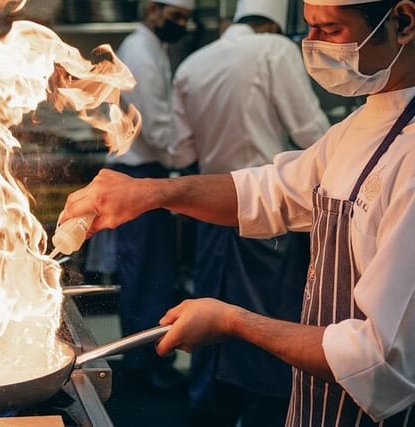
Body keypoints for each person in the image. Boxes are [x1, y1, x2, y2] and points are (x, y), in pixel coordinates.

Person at [60, 0, 415, 424]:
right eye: (309, 28)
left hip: (380, 414)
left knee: (251, 375)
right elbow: (268, 189)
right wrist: (150, 192)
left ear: (404, 22)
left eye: (331, 30)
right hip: (318, 407)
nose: (312, 45)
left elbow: (381, 362)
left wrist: (233, 321)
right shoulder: (360, 126)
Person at [167, 0, 330, 424]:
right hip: (266, 215)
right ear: (274, 21)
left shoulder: (191, 65)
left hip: (208, 210)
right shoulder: (275, 49)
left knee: (204, 317)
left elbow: (180, 150)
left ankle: (207, 408)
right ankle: (264, 413)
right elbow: (312, 134)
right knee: (263, 324)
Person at [99, 0, 194, 389]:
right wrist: (184, 162)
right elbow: (154, 125)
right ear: (153, 9)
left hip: (145, 170)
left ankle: (148, 359)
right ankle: (145, 365)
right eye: (177, 16)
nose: (182, 25)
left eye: (186, 18)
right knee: (147, 273)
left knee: (150, 271)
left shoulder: (152, 47)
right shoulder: (141, 50)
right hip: (141, 173)